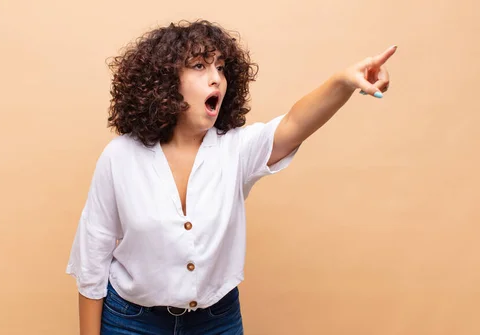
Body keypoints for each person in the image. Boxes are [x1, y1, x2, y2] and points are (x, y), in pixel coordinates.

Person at [65, 19, 396, 334]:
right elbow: (92, 262)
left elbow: (294, 124)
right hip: (131, 321)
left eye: (220, 68)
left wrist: (342, 82)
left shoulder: (236, 149)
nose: (216, 79)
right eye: (200, 66)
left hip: (215, 322)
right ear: (164, 80)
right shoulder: (120, 157)